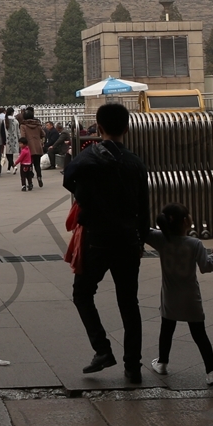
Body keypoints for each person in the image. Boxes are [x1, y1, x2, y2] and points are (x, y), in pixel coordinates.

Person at [63, 101, 150, 382]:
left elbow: (69, 178)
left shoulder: (87, 160)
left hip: (97, 239)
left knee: (82, 293)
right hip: (126, 239)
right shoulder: (135, 163)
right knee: (129, 302)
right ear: (126, 127)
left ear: (97, 127)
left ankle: (102, 349)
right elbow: (144, 207)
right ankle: (133, 366)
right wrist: (142, 239)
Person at [145, 204, 213, 384]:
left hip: (170, 297)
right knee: (199, 335)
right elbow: (207, 267)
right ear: (186, 221)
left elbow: (144, 230)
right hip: (191, 298)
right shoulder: (195, 244)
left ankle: (162, 362)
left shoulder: (161, 239)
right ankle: (211, 372)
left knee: (166, 329)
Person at [18, 109, 45, 188]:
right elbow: (43, 134)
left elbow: (23, 137)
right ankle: (39, 177)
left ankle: (30, 182)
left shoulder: (23, 126)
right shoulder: (37, 124)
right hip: (37, 147)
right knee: (37, 164)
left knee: (28, 166)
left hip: (28, 148)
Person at [4, 108, 20, 172]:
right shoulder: (15, 121)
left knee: (8, 154)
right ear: (12, 113)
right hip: (14, 139)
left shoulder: (4, 121)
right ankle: (9, 168)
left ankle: (13, 166)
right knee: (11, 154)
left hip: (6, 139)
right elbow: (18, 132)